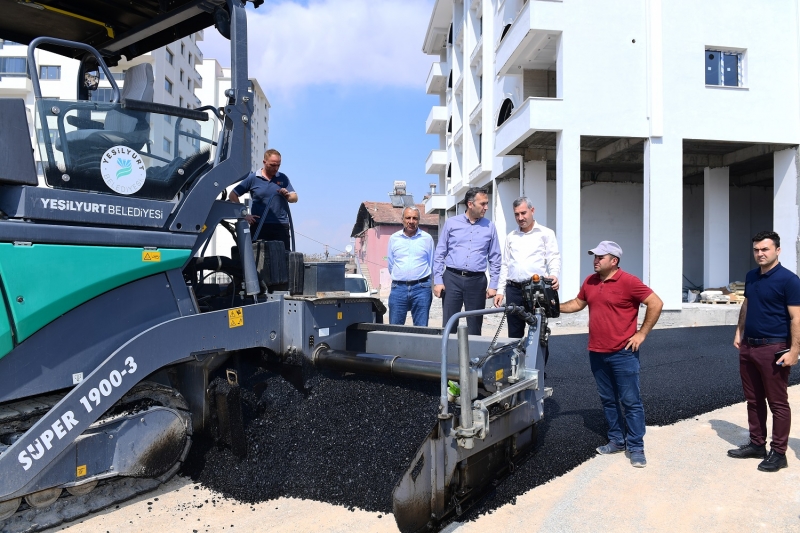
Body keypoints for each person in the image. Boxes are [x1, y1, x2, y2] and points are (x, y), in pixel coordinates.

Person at [559, 241, 663, 468]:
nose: (595, 260)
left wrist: (641, 334)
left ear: (614, 261)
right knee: (608, 400)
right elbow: (578, 303)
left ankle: (636, 447)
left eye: (600, 257)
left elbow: (656, 303)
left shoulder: (629, 281)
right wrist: (553, 306)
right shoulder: (590, 281)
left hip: (623, 353)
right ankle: (616, 440)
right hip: (596, 352)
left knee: (631, 401)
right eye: (594, 256)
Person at [729, 231, 800, 472]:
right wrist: (739, 332)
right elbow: (746, 305)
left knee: (778, 403)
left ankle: (778, 453)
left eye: (765, 249)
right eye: (756, 250)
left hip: (774, 348)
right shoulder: (751, 277)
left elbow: (796, 318)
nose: (760, 254)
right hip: (748, 346)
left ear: (777, 251)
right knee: (753, 400)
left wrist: (795, 351)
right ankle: (757, 444)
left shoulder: (789, 280)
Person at [433, 187, 501, 335]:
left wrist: (494, 285)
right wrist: (438, 280)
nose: (486, 207)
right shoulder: (451, 223)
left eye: (487, 203)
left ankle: (473, 358)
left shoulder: (490, 227)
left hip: (476, 282)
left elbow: (495, 258)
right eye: (483, 204)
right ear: (470, 204)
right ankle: (449, 357)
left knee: (475, 325)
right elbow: (440, 253)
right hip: (452, 279)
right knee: (449, 324)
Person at [493, 197, 561, 337]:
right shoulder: (511, 236)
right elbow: (505, 264)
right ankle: (516, 359)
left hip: (536, 290)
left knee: (537, 332)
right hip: (513, 290)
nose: (520, 217)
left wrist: (554, 274)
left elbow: (553, 257)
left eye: (523, 213)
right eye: (517, 214)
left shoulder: (546, 233)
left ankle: (538, 360)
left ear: (532, 210)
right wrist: (500, 290)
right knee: (514, 333)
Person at [229, 149, 297, 249]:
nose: (276, 168)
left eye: (278, 165)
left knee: (283, 259)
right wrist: (244, 215)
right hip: (259, 226)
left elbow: (294, 198)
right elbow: (232, 195)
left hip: (281, 226)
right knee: (259, 258)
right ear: (264, 162)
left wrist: (287, 195)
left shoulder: (283, 178)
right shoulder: (253, 178)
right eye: (273, 165)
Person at [387, 206, 435, 326]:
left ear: (419, 220)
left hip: (422, 288)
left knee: (421, 330)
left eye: (415, 218)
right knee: (395, 329)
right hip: (398, 288)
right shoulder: (394, 239)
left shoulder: (427, 239)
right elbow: (391, 264)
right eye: (408, 218)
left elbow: (432, 263)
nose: (411, 221)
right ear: (402, 219)